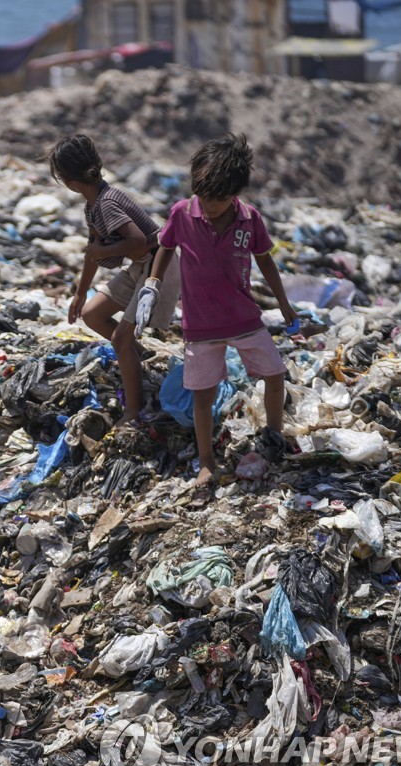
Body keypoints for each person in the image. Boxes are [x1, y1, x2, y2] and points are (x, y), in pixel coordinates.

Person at [134, 133, 297, 497]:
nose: (208, 205)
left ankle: (273, 437)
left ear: (235, 193)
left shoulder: (248, 218)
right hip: (201, 325)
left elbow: (266, 260)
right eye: (203, 197)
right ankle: (207, 460)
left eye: (219, 199)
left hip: (244, 318)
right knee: (203, 395)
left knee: (274, 374)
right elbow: (164, 246)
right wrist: (153, 284)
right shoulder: (182, 213)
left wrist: (283, 303)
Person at [47, 133, 181, 426]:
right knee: (92, 313)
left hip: (160, 267)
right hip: (140, 267)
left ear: (67, 180)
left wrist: (103, 249)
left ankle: (133, 412)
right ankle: (134, 354)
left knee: (120, 337)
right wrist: (80, 295)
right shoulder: (93, 206)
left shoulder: (107, 203)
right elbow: (92, 253)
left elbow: (138, 243)